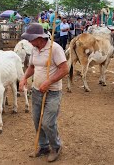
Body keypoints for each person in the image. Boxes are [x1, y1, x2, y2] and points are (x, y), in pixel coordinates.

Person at [19, 23, 69, 163]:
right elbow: (32, 67)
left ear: (39, 38)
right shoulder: (34, 49)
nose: (29, 41)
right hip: (36, 91)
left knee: (47, 122)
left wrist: (49, 82)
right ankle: (44, 146)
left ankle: (56, 147)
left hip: (52, 92)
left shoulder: (55, 49)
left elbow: (64, 69)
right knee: (37, 120)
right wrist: (24, 78)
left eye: (30, 38)